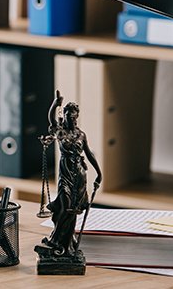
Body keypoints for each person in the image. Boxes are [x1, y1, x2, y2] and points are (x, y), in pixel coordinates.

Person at [40, 90, 102, 256]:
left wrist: (99, 172)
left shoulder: (81, 135)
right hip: (66, 174)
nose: (72, 120)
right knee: (66, 207)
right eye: (69, 117)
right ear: (65, 116)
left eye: (75, 117)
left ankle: (66, 244)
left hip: (80, 175)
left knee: (74, 210)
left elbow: (89, 154)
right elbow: (51, 119)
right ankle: (56, 241)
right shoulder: (61, 132)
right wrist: (55, 104)